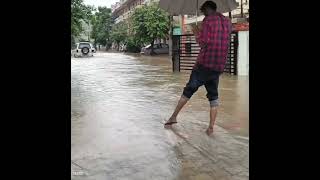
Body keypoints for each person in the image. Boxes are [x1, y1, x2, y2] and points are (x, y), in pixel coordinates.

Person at [164, 1, 232, 135]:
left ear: (207, 8)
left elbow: (203, 43)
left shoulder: (208, 21)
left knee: (188, 90)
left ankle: (173, 117)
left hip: (205, 64)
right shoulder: (227, 21)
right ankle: (211, 127)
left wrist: (196, 32)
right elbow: (220, 40)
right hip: (218, 66)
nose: (203, 14)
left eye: (203, 11)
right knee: (213, 95)